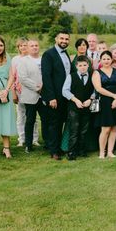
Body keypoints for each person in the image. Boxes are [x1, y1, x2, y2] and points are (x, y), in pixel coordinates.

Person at [41, 30, 72, 160]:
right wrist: (51, 97)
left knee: (61, 122)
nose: (64, 41)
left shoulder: (66, 54)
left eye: (66, 39)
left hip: (65, 95)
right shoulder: (48, 54)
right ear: (56, 39)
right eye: (61, 38)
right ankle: (53, 150)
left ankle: (59, 147)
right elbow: (46, 77)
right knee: (54, 123)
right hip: (54, 96)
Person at [93, 50, 116, 159]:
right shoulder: (97, 72)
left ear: (111, 60)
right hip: (105, 102)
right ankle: (102, 152)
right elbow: (98, 88)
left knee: (114, 128)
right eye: (104, 59)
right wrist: (113, 96)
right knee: (105, 129)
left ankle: (110, 152)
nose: (106, 61)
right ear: (100, 60)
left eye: (108, 58)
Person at [62, 55, 95, 160]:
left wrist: (90, 99)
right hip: (74, 108)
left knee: (84, 130)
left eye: (85, 65)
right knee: (74, 129)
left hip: (86, 107)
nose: (83, 67)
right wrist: (75, 100)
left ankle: (82, 150)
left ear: (88, 65)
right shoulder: (71, 76)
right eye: (80, 65)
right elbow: (65, 90)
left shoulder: (92, 76)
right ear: (76, 66)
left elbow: (96, 90)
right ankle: (71, 151)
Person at [17, 39, 46, 153]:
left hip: (44, 95)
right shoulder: (23, 61)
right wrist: (38, 88)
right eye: (32, 46)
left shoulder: (44, 59)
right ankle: (28, 144)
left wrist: (45, 88)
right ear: (28, 48)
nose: (34, 47)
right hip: (30, 95)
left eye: (36, 45)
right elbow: (23, 78)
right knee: (30, 120)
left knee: (46, 120)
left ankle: (47, 142)